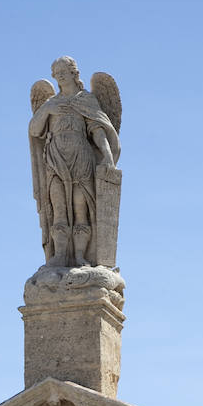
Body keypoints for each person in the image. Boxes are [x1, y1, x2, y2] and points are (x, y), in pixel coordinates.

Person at [29, 57, 120, 268]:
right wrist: (47, 110)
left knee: (81, 209)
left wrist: (106, 155)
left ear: (74, 73)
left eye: (64, 70)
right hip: (55, 159)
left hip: (81, 159)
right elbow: (35, 131)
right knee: (58, 208)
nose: (60, 75)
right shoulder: (50, 104)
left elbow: (98, 130)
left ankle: (80, 257)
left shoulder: (86, 100)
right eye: (56, 71)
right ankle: (60, 255)